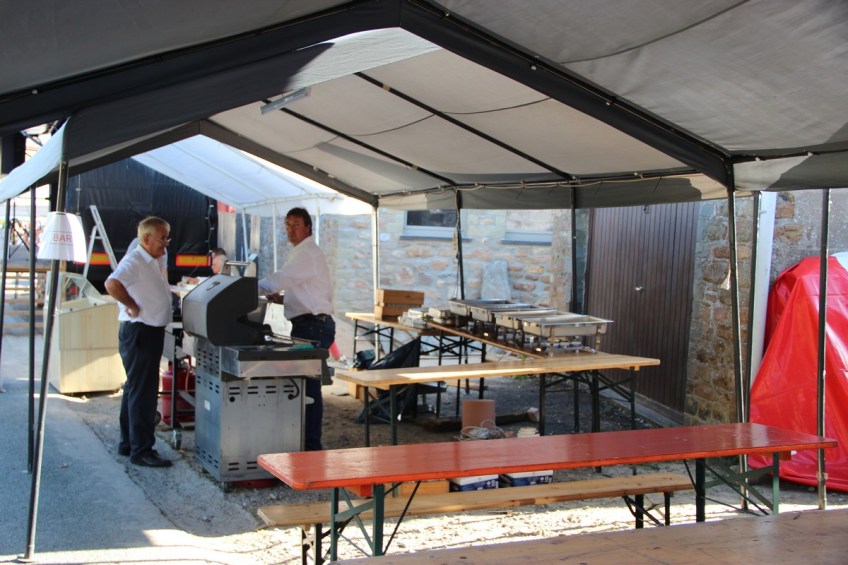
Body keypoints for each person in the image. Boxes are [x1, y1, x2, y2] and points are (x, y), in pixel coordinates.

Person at [258, 207, 334, 451]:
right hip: (308, 324)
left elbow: (280, 279)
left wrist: (246, 289)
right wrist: (284, 299)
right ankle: (305, 443)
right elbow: (304, 290)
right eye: (288, 225)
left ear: (308, 228)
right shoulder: (301, 252)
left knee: (309, 387)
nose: (291, 229)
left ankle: (311, 447)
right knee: (304, 386)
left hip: (314, 327)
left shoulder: (307, 253)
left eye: (296, 225)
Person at [104, 216, 174, 467]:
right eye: (162, 238)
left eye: (167, 237)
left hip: (147, 331)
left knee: (135, 389)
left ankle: (128, 443)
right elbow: (112, 284)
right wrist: (132, 305)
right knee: (143, 393)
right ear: (146, 238)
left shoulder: (153, 259)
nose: (166, 243)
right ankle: (143, 450)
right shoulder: (135, 260)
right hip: (140, 332)